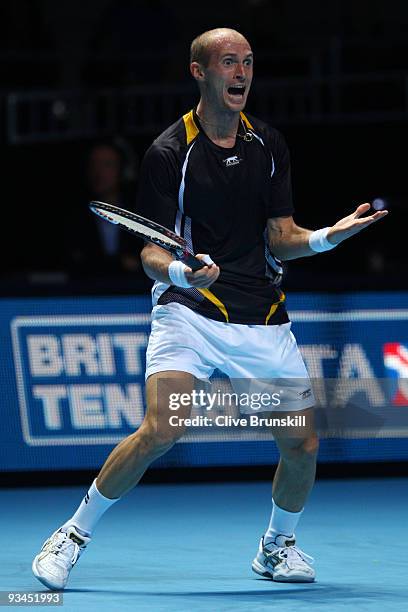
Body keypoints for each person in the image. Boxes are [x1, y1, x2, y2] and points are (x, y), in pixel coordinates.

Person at [32, 28, 387, 590]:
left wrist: (326, 237)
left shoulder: (268, 145)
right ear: (200, 72)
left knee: (303, 445)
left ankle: (276, 547)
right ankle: (72, 535)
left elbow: (282, 236)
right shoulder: (169, 152)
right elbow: (152, 249)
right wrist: (181, 272)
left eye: (247, 62)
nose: (242, 72)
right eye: (229, 62)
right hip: (189, 311)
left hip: (261, 316)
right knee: (163, 426)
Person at [66, 139, 143, 276]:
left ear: (122, 171)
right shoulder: (73, 218)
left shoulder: (140, 214)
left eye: (107, 165)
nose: (99, 172)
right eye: (93, 164)